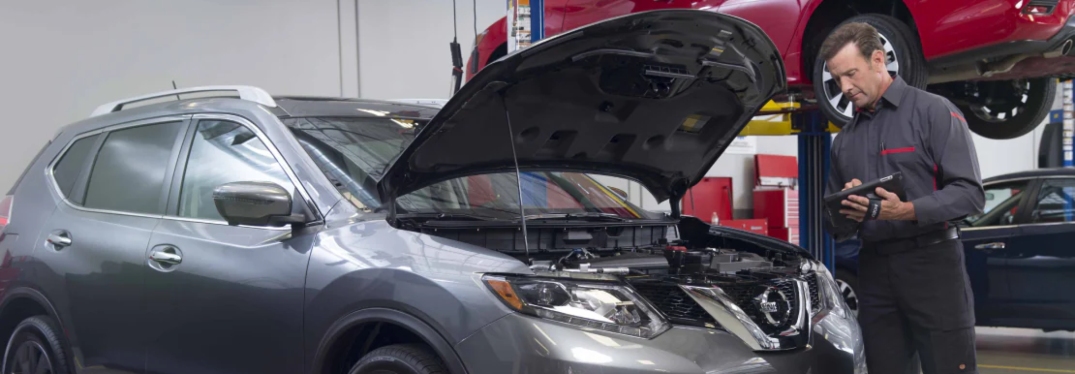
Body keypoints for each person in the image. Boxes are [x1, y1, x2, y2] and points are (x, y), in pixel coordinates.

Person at [819, 22, 986, 374]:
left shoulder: (934, 112)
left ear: (878, 60)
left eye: (851, 74)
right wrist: (849, 209)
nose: (845, 88)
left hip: (933, 265)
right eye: (837, 80)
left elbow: (970, 194)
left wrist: (905, 210)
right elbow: (834, 227)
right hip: (875, 271)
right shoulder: (845, 140)